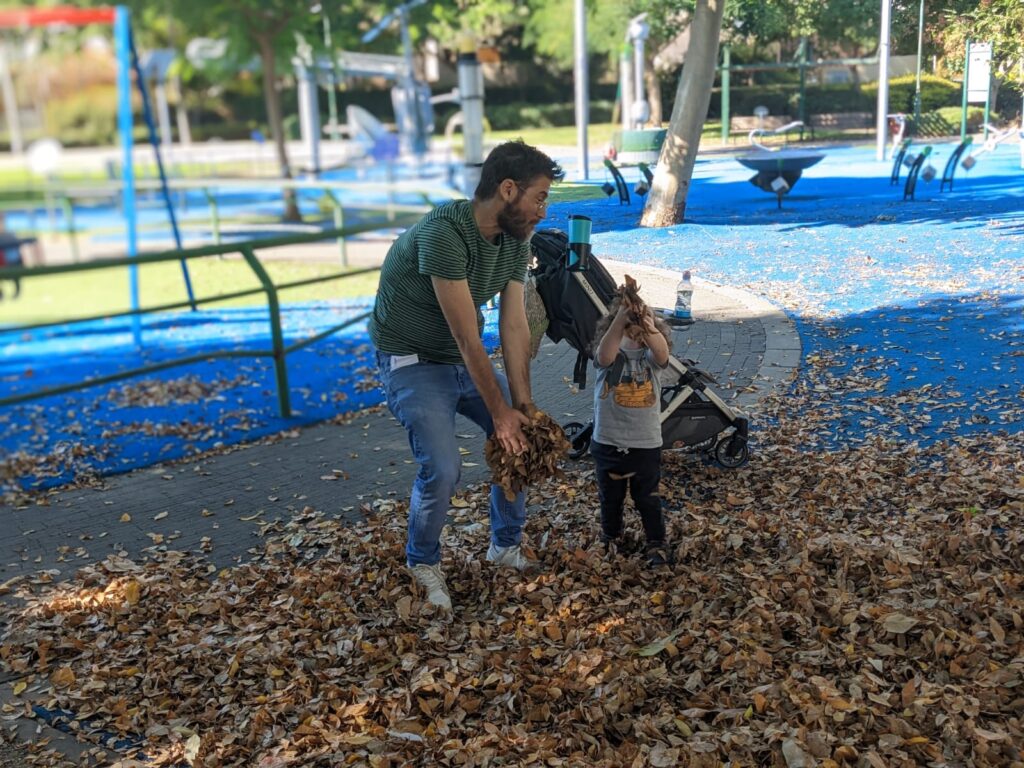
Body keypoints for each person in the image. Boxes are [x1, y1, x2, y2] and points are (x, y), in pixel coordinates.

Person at [370, 140, 564, 611]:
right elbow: (466, 338)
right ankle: (421, 560)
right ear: (508, 189)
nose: (542, 211)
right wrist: (498, 414)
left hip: (459, 360)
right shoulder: (445, 233)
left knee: (520, 439)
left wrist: (521, 407)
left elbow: (514, 325)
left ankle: (504, 546)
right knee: (443, 466)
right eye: (539, 198)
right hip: (412, 361)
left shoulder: (515, 242)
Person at [590, 296, 673, 567]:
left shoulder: (650, 359)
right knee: (610, 496)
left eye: (638, 334)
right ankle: (611, 535)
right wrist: (620, 320)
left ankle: (656, 541)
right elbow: (605, 355)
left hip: (644, 443)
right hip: (608, 440)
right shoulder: (610, 355)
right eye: (628, 332)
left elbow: (662, 353)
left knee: (647, 497)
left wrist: (649, 327)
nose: (634, 337)